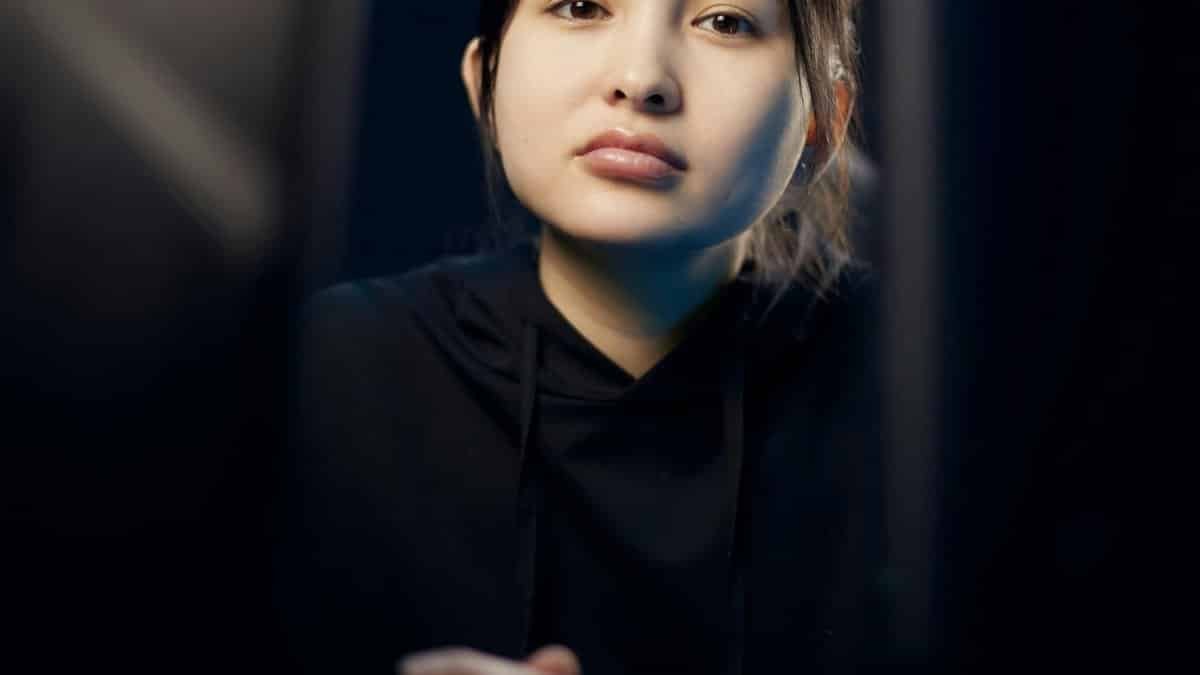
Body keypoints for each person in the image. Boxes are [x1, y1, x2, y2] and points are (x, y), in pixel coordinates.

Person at [269, 1, 885, 673]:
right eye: (580, 6)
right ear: (487, 85)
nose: (640, 78)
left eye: (725, 20)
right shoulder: (322, 374)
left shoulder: (916, 403)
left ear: (823, 125)